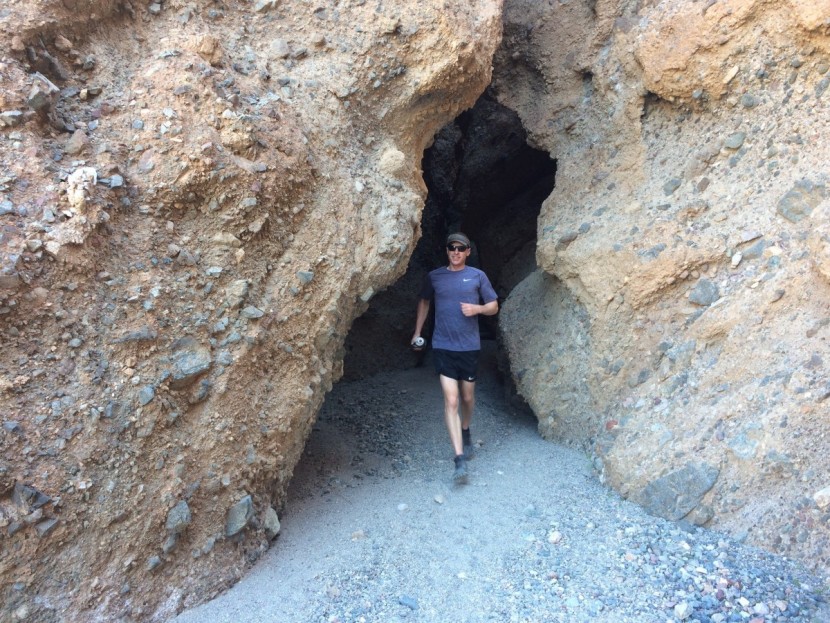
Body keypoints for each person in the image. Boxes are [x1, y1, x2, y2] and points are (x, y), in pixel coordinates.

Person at [411, 232, 499, 484]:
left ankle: (466, 428)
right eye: (452, 248)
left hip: (469, 347)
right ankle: (459, 459)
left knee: (467, 397)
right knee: (451, 400)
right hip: (443, 345)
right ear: (447, 250)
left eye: (461, 248)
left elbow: (493, 305)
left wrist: (478, 309)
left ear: (468, 252)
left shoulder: (477, 276)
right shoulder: (435, 277)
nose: (456, 252)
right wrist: (417, 332)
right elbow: (424, 302)